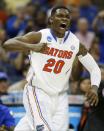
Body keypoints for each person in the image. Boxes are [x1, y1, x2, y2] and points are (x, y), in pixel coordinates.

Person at [1, 5, 101, 131]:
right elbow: (7, 44)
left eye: (67, 17)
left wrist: (94, 87)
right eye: (60, 16)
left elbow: (94, 68)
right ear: (51, 20)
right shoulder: (40, 36)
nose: (64, 19)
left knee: (28, 126)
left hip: (60, 97)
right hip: (37, 92)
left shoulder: (75, 43)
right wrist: (32, 47)